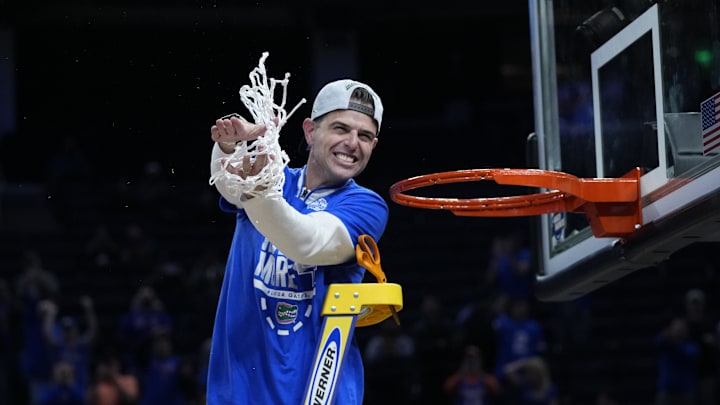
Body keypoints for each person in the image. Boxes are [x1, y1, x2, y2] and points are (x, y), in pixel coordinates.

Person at [206, 77, 388, 404]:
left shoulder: (367, 206)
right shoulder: (275, 177)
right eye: (340, 129)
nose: (352, 143)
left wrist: (259, 191)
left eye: (365, 136)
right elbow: (229, 185)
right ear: (310, 131)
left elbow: (306, 242)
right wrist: (229, 147)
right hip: (239, 390)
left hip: (320, 392)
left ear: (373, 146)